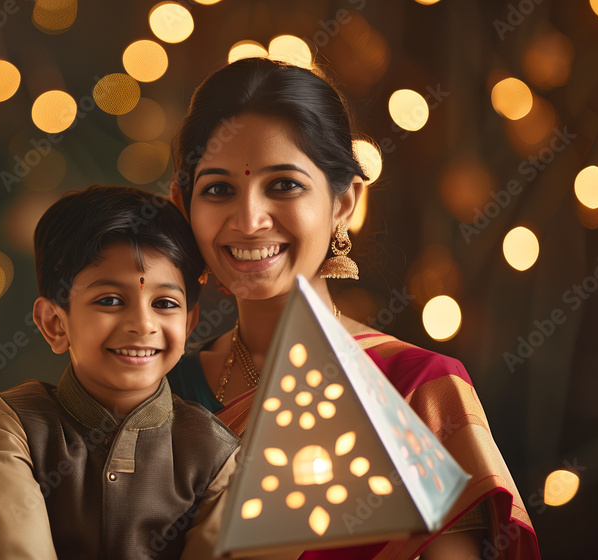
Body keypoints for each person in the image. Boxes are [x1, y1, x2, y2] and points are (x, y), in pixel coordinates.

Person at [165, 58, 540, 560]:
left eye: (284, 185)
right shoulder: (163, 394)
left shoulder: (417, 390)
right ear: (182, 205)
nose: (250, 219)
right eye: (218, 189)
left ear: (344, 203)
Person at [0, 185, 240, 559]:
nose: (143, 324)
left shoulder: (215, 454)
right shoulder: (15, 421)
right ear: (54, 323)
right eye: (110, 300)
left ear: (189, 323)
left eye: (164, 303)